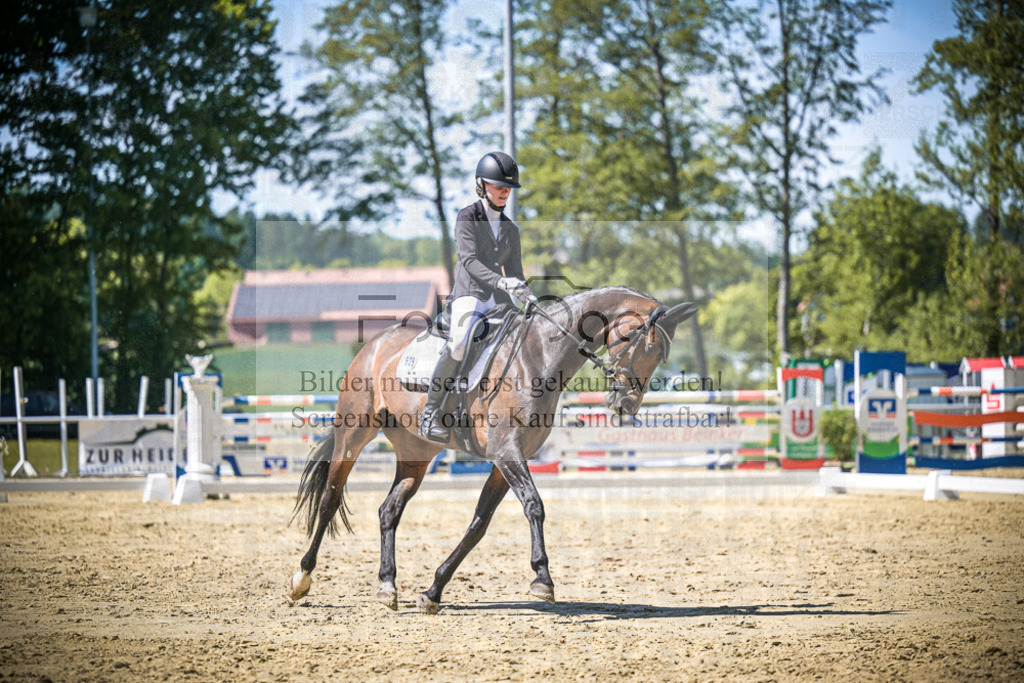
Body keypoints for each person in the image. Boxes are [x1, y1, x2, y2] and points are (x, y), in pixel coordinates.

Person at [419, 151, 535, 443]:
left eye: (508, 187)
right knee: (459, 342)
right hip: (469, 294)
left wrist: (529, 296)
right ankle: (429, 414)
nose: (504, 191)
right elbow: (469, 261)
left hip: (499, 300)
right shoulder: (467, 217)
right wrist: (501, 281)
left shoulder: (510, 230)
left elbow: (516, 272)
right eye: (498, 185)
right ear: (482, 185)